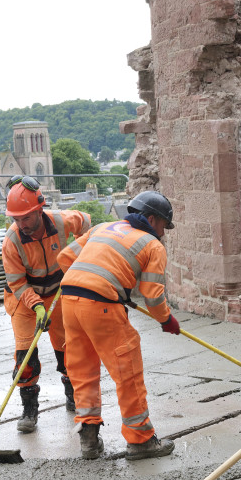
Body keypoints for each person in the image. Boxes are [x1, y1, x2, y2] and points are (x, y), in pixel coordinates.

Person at [57, 190, 181, 460]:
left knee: (82, 372)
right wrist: (166, 320)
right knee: (128, 372)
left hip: (69, 302)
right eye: (163, 225)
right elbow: (152, 295)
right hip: (101, 306)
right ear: (151, 218)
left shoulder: (103, 227)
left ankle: (88, 440)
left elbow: (64, 259)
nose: (164, 232)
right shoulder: (152, 245)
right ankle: (141, 440)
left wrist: (88, 281)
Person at [1, 176, 92, 432]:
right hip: (23, 298)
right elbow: (17, 283)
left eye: (26, 218)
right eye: (15, 219)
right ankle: (29, 411)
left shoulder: (61, 221)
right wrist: (37, 306)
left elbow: (86, 222)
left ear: (39, 210)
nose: (21, 224)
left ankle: (72, 394)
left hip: (57, 291)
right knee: (25, 354)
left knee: (67, 346)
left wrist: (81, 254)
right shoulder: (12, 241)